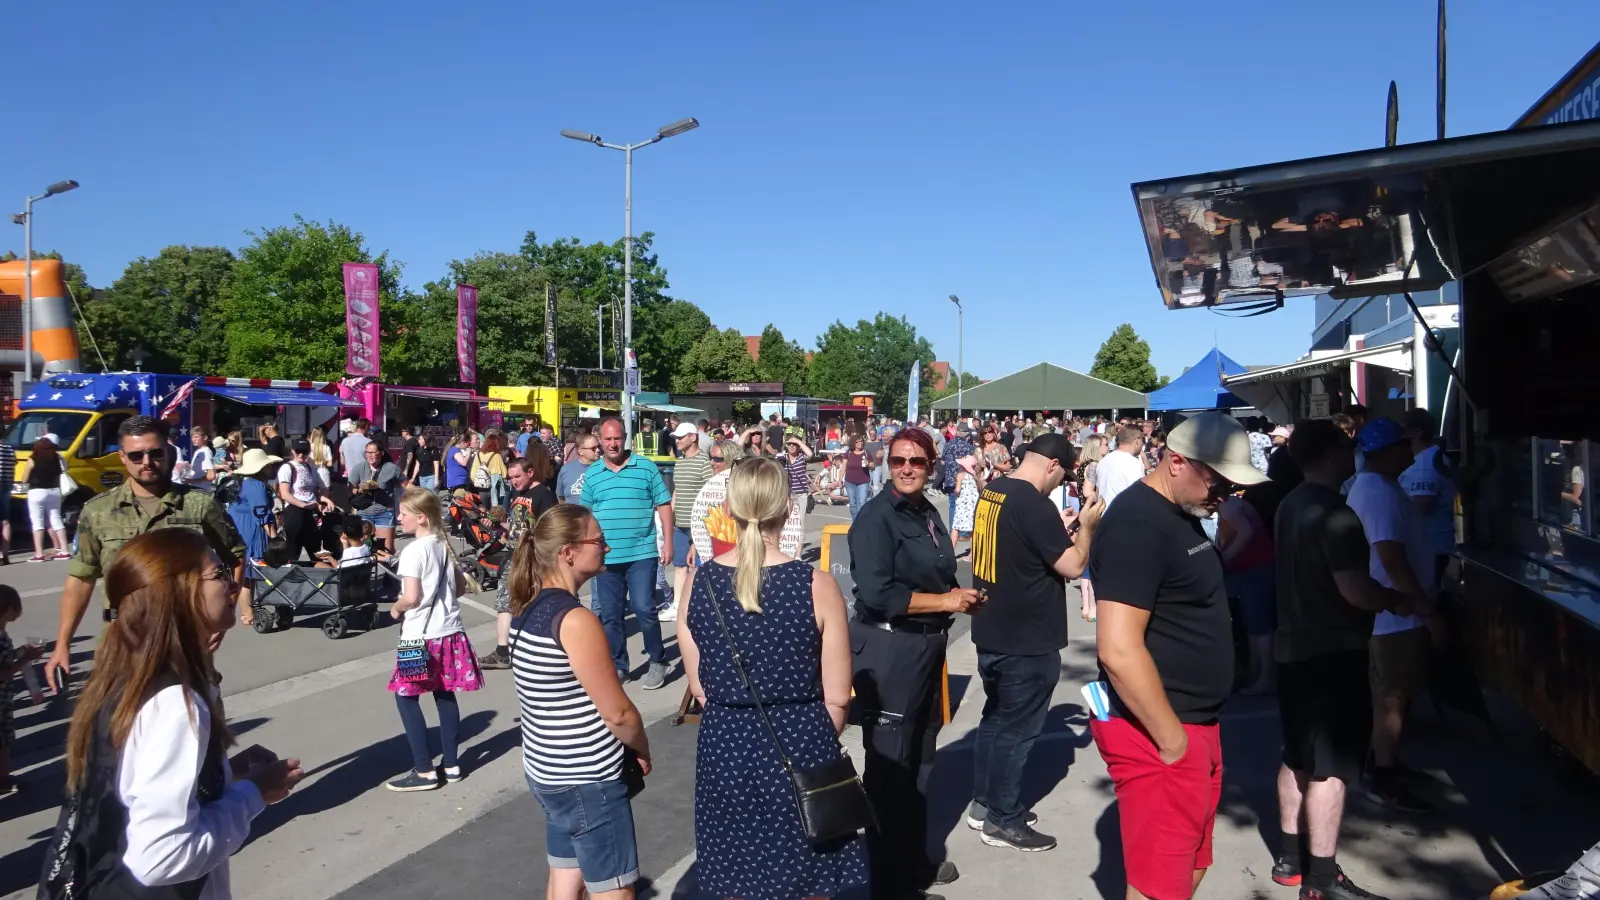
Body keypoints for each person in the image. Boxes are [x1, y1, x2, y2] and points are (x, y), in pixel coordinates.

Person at [48, 529, 303, 899]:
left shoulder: (124, 676)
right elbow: (162, 857)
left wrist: (223, 776)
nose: (233, 586)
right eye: (218, 574)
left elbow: (131, 793)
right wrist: (254, 793)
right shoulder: (174, 704)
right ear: (179, 593)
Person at [1090, 411, 1266, 900]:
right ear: (1175, 462)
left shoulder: (1180, 514)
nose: (1226, 494)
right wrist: (1171, 742)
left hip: (1193, 723)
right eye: (1219, 480)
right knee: (1159, 887)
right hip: (1161, 729)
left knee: (1188, 865)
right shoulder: (1137, 524)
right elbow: (1118, 648)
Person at [678, 456, 867, 899]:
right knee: (807, 878)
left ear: (728, 508)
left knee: (737, 876)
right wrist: (813, 744)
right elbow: (838, 697)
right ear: (789, 509)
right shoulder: (816, 584)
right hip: (801, 743)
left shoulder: (699, 583)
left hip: (726, 744)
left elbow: (700, 686)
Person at [1271, 420, 1408, 900]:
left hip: (1292, 647)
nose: (1353, 453)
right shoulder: (1336, 513)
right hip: (1331, 652)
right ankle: (1323, 880)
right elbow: (1355, 589)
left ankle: (1290, 858)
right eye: (1346, 446)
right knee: (1329, 768)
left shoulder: (1290, 504)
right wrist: (1395, 600)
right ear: (1329, 454)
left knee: (1296, 754)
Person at [849, 425, 976, 900]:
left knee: (920, 760)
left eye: (916, 462)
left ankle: (912, 862)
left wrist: (955, 600)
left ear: (931, 466)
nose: (906, 469)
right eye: (899, 461)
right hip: (890, 650)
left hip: (925, 645)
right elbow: (879, 595)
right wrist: (946, 603)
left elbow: (939, 569)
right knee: (887, 769)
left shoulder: (926, 510)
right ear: (887, 464)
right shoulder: (876, 518)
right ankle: (888, 884)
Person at [507, 500, 650, 900]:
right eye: (598, 540)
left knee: (565, 877)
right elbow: (619, 712)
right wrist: (641, 747)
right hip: (587, 777)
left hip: (547, 769)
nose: (606, 547)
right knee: (614, 890)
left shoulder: (528, 608)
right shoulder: (575, 620)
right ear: (568, 552)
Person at [44, 417, 251, 692]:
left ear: (168, 452)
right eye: (136, 455)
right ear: (122, 457)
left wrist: (221, 618)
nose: (147, 461)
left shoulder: (198, 505)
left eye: (155, 453)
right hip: (123, 640)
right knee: (121, 725)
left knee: (195, 723)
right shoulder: (98, 511)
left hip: (185, 638)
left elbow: (235, 556)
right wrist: (62, 644)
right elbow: (81, 578)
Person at [968, 433, 1102, 851]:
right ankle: (1003, 820)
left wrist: (1058, 530)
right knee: (1018, 731)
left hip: (993, 628)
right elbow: (1074, 564)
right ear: (1052, 466)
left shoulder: (995, 491)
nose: (1058, 484)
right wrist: (1087, 526)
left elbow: (1018, 544)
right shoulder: (1033, 503)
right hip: (1026, 637)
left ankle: (985, 804)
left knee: (995, 722)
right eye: (1062, 475)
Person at [1345, 418, 1439, 813]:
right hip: (1395, 616)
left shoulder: (1378, 487)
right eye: (1402, 445)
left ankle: (1387, 764)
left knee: (1393, 696)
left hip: (1393, 612)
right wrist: (1423, 607)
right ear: (1386, 452)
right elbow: (1390, 556)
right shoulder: (1378, 492)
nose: (1409, 450)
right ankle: (1383, 776)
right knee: (1392, 699)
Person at [386, 488, 482, 792]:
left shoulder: (413, 552)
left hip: (420, 637)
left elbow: (411, 597)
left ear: (421, 517)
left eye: (403, 513)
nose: (398, 518)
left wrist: (396, 608)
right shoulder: (443, 545)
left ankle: (424, 769)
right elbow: (460, 589)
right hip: (449, 631)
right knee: (444, 693)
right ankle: (451, 764)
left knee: (406, 696)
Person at [580, 418, 674, 690]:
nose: (612, 444)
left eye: (617, 439)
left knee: (644, 607)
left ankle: (658, 660)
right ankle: (619, 665)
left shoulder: (645, 467)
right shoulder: (594, 473)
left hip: (641, 552)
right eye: (607, 440)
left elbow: (664, 505)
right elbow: (585, 515)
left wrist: (667, 542)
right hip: (606, 557)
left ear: (625, 439)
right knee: (610, 614)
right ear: (600, 441)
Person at [1216, 447, 1303, 696]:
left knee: (1259, 627)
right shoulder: (1235, 505)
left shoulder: (1230, 507)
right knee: (1255, 626)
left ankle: (1265, 678)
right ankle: (1257, 675)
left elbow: (1246, 533)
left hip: (1255, 569)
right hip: (1252, 569)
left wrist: (1225, 558)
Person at [478, 450, 560, 670]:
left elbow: (550, 527)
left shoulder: (543, 494)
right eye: (511, 478)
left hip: (534, 557)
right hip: (514, 554)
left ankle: (549, 647)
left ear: (530, 473)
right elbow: (516, 524)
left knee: (539, 601)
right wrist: (497, 526)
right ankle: (503, 651)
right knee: (504, 600)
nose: (513, 482)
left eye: (517, 477)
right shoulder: (515, 494)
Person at [663, 422, 713, 624]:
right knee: (679, 565)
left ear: (693, 437)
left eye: (681, 437)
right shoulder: (680, 462)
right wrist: (670, 514)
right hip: (680, 523)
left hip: (699, 524)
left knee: (697, 567)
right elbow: (678, 490)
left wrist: (706, 522)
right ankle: (677, 605)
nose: (677, 441)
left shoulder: (704, 462)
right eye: (676, 437)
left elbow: (709, 492)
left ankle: (696, 605)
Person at [1, 584, 39, 791]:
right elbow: (3, 672)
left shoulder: (2, 633)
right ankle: (3, 779)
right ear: (8, 609)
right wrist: (24, 659)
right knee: (3, 739)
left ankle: (4, 777)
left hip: (5, 697)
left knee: (5, 739)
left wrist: (19, 652)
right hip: (1, 699)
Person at [277, 439, 337, 563]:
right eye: (298, 452)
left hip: (310, 511)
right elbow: (285, 494)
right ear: (293, 451)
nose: (301, 455)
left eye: (304, 452)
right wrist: (303, 505)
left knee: (315, 550)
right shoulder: (287, 467)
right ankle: (289, 578)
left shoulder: (310, 467)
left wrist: (326, 500)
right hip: (294, 510)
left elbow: (313, 492)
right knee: (293, 550)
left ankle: (319, 579)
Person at [220, 448, 281, 566]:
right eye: (268, 465)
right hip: (254, 539)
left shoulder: (241, 483)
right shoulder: (256, 486)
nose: (271, 468)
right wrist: (276, 541)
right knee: (256, 576)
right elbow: (262, 516)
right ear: (262, 468)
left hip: (239, 536)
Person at [20, 435, 71, 561]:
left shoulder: (32, 459)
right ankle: (64, 551)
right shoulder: (58, 458)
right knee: (57, 520)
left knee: (37, 523)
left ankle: (39, 554)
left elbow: (24, 479)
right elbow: (65, 470)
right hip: (54, 491)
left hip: (36, 492)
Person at [349, 440, 404, 554]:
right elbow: (351, 488)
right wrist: (360, 489)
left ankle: (389, 570)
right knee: (360, 546)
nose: (370, 455)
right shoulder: (359, 468)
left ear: (381, 453)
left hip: (384, 511)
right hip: (364, 511)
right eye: (368, 452)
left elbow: (406, 484)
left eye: (374, 452)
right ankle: (364, 570)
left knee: (386, 547)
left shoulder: (391, 468)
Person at [1094, 425, 1147, 506]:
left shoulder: (1103, 461)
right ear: (1137, 441)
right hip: (1123, 515)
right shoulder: (1133, 463)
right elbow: (1139, 495)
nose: (1143, 443)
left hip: (1104, 514)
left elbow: (1098, 491)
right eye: (1142, 439)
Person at [557, 431, 601, 503]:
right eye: (593, 448)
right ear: (581, 451)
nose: (598, 450)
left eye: (599, 447)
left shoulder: (605, 469)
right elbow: (560, 496)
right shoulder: (566, 469)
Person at [843, 435, 873, 519]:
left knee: (862, 503)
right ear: (853, 443)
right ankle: (855, 522)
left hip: (863, 481)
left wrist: (869, 464)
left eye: (862, 441)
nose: (860, 443)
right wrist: (839, 479)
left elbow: (873, 467)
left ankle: (861, 523)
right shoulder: (848, 453)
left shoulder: (866, 453)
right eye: (858, 441)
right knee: (852, 504)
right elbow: (843, 466)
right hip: (850, 481)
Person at [0, 437, 13, 563]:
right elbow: (13, 463)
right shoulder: (8, 448)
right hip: (6, 486)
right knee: (5, 521)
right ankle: (5, 553)